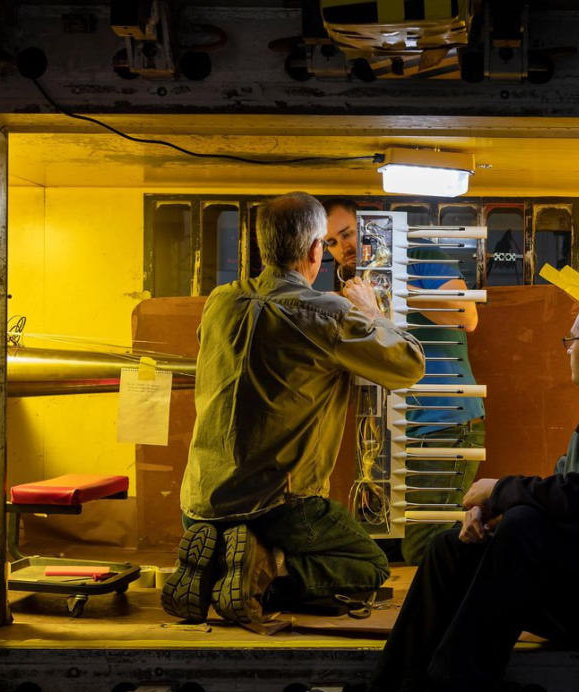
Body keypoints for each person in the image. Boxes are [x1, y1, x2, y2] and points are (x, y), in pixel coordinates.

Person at [302, 292, 579, 692]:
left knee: (523, 529)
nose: (566, 349)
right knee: (453, 549)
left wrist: (500, 492)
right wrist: (489, 514)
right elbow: (568, 501)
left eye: (570, 339)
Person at [162, 192, 425, 627]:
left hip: (199, 501)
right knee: (369, 569)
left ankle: (217, 562)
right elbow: (408, 366)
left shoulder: (220, 303)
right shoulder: (327, 314)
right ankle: (262, 576)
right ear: (314, 251)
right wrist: (372, 312)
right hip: (277, 503)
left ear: (263, 247)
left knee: (229, 522)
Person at [322, 199, 485, 565]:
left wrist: (388, 287)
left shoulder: (420, 252)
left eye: (347, 234)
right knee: (374, 545)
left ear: (369, 225)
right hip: (389, 432)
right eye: (330, 242)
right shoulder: (350, 281)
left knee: (426, 549)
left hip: (443, 424)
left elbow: (465, 315)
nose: (342, 248)